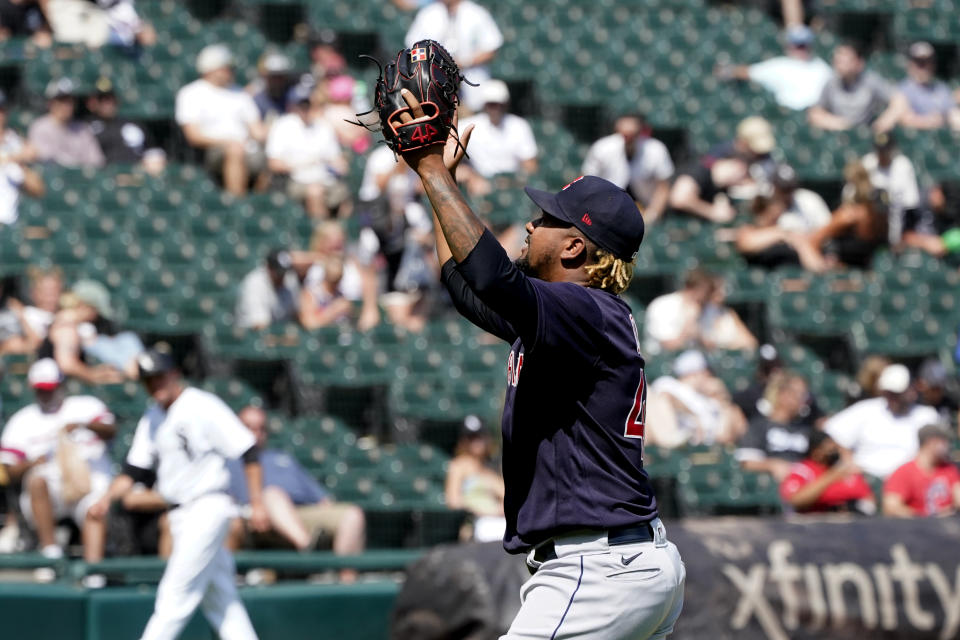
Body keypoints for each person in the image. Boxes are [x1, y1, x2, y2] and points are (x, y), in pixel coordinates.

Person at [397, 92, 684, 638]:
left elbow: (490, 278)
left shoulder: (583, 311)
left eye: (545, 218)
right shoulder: (572, 319)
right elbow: (466, 287)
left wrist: (431, 166)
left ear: (575, 247)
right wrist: (441, 188)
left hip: (597, 570)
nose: (531, 225)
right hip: (621, 560)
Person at [89, 350, 268, 639]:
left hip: (209, 506)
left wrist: (257, 503)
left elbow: (248, 450)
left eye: (159, 377)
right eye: (149, 380)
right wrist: (106, 499)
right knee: (222, 601)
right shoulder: (152, 417)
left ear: (174, 374)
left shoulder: (201, 405)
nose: (154, 385)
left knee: (174, 594)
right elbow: (134, 470)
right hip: (180, 514)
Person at [0, 359, 115, 565]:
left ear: (61, 385)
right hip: (51, 495)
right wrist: (33, 463)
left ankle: (93, 572)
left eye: (51, 388)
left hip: (89, 486)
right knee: (37, 480)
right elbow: (9, 471)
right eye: (41, 390)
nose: (46, 394)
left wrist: (84, 425)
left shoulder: (86, 406)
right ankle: (50, 555)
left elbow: (110, 431)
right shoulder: (22, 420)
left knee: (95, 508)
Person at [226, 407, 366, 564]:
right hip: (260, 519)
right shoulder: (229, 462)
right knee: (273, 494)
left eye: (261, 428)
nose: (256, 433)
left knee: (353, 515)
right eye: (249, 427)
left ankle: (346, 581)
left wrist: (324, 505)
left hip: (299, 513)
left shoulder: (283, 458)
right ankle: (310, 552)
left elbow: (321, 498)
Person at [175, 44, 267, 196]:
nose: (231, 72)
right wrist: (229, 142)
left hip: (246, 147)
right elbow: (193, 136)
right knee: (235, 150)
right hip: (212, 150)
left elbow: (257, 131)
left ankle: (261, 205)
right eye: (226, 68)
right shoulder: (190, 93)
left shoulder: (240, 94)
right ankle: (239, 203)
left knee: (273, 155)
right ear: (210, 69)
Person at [824, 364, 940, 480]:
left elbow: (937, 447)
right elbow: (830, 430)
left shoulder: (926, 415)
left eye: (896, 393)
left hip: (909, 481)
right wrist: (848, 461)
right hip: (867, 479)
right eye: (888, 392)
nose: (891, 397)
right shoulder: (866, 409)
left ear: (910, 391)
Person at [266, 82, 349, 219]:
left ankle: (344, 233)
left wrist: (339, 165)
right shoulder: (283, 125)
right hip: (294, 179)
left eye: (308, 104)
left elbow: (337, 160)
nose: (305, 109)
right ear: (293, 106)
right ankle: (322, 229)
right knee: (315, 192)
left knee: (345, 195)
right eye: (301, 105)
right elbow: (273, 163)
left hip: (324, 177)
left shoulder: (323, 126)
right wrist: (300, 165)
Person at [667, 117, 773, 223]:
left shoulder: (759, 161)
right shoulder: (702, 168)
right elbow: (679, 198)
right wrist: (712, 212)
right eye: (741, 168)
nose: (743, 173)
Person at [404, 0, 503, 112]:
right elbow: (413, 47)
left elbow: (491, 49)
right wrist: (436, 61)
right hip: (436, 81)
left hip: (470, 82)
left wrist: (465, 62)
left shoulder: (476, 13)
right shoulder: (428, 13)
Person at [581, 113, 674, 223]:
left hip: (645, 207)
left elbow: (663, 187)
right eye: (625, 134)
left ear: (640, 131)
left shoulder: (655, 149)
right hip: (607, 207)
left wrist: (652, 215)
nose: (628, 138)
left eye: (633, 134)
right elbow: (587, 182)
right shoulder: (603, 148)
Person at [44, 279, 143, 383]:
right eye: (96, 310)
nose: (98, 316)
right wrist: (92, 375)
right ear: (84, 306)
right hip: (59, 387)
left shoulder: (81, 327)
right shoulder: (66, 326)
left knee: (128, 339)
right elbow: (66, 364)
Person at [734, 163, 832, 268]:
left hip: (803, 258)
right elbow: (746, 242)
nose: (787, 193)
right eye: (784, 189)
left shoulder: (808, 200)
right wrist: (783, 233)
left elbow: (826, 235)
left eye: (790, 188)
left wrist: (801, 240)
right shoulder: (764, 203)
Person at [645, 350, 748, 448]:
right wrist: (693, 416)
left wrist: (724, 400)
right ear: (695, 373)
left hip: (699, 447)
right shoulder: (670, 384)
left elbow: (726, 436)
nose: (708, 375)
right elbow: (666, 397)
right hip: (670, 437)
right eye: (705, 372)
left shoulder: (709, 401)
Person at [715, 25, 832, 111]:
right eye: (797, 45)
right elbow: (749, 72)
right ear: (789, 46)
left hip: (815, 112)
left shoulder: (822, 67)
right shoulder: (780, 65)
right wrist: (727, 70)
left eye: (803, 45)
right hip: (787, 113)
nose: (801, 49)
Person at [800, 159, 889, 270]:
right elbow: (814, 240)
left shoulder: (882, 224)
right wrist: (822, 266)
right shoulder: (849, 216)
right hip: (837, 276)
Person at [459, 80, 537, 193]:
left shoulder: (519, 126)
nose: (495, 108)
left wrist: (513, 182)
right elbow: (445, 156)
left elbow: (530, 166)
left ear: (506, 104)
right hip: (482, 185)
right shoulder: (468, 126)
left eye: (499, 104)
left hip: (513, 184)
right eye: (491, 104)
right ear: (484, 105)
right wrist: (469, 175)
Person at [735, 372, 815, 482]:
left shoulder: (807, 430)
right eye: (797, 393)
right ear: (782, 393)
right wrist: (772, 465)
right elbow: (746, 462)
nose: (802, 400)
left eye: (804, 395)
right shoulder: (759, 426)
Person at [779, 431, 876, 514]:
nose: (833, 452)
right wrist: (830, 477)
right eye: (828, 449)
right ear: (816, 451)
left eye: (835, 448)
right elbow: (795, 501)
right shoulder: (803, 470)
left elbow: (868, 499)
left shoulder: (846, 470)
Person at [875, 41, 960, 133]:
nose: (923, 67)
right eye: (919, 62)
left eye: (927, 62)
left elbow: (953, 115)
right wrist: (928, 122)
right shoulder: (903, 89)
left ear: (933, 64)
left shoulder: (941, 89)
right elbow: (896, 119)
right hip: (911, 142)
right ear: (910, 64)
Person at [444, 415, 506, 543]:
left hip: (499, 520)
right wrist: (487, 511)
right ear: (463, 441)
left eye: (480, 436)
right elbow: (453, 502)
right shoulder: (458, 466)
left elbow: (507, 497)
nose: (476, 442)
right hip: (476, 523)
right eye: (471, 438)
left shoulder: (490, 468)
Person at [808, 41, 891, 130]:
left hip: (866, 133)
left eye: (845, 61)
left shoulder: (870, 81)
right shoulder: (831, 83)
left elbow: (898, 100)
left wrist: (884, 121)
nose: (840, 64)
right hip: (840, 136)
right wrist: (838, 123)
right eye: (838, 60)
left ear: (859, 63)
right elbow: (815, 113)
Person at [883, 424, 960, 517]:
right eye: (943, 442)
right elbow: (891, 507)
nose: (947, 446)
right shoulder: (904, 472)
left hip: (947, 526)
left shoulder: (949, 469)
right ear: (932, 443)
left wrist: (950, 511)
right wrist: (924, 517)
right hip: (915, 528)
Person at [28, 78, 105, 168]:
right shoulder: (40, 127)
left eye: (69, 101)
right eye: (61, 101)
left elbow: (97, 160)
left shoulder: (82, 128)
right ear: (50, 103)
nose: (66, 106)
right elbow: (48, 158)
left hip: (83, 179)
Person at [861, 132, 920, 244]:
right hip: (871, 221)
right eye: (879, 150)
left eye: (885, 150)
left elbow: (910, 204)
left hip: (896, 219)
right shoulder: (867, 163)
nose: (882, 154)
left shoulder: (903, 165)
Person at [0, 88, 43, 226]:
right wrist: (15, 157)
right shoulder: (19, 152)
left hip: (9, 222)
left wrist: (21, 165)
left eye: (1, 110)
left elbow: (38, 189)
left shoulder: (16, 142)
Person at [86, 77, 147, 164]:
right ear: (93, 102)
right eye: (102, 99)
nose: (107, 103)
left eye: (110, 98)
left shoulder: (130, 125)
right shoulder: (86, 127)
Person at [236, 249, 299, 330]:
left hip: (279, 335)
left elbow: (297, 315)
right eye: (279, 274)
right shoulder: (255, 283)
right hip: (250, 336)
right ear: (268, 268)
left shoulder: (290, 279)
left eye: (284, 273)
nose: (282, 277)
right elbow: (260, 326)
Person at [902, 180, 960, 257]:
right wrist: (925, 243)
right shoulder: (914, 199)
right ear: (938, 191)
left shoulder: (946, 216)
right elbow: (899, 234)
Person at [249, 51, 295, 124]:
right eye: (273, 77)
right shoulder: (258, 101)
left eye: (280, 77)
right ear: (266, 77)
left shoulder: (293, 97)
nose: (277, 81)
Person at [914, 358, 960, 430]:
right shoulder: (914, 405)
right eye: (934, 389)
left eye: (940, 388)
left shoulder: (950, 403)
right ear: (921, 385)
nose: (938, 392)